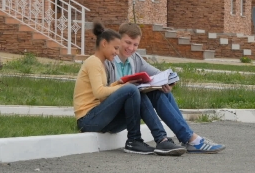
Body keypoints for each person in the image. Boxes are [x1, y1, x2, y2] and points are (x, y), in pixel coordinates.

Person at [104, 23, 226, 154]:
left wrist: (168, 82)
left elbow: (159, 74)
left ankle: (188, 138)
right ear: (118, 39)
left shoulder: (135, 58)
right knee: (140, 93)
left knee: (161, 92)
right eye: (127, 42)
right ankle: (186, 139)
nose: (131, 48)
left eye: (135, 44)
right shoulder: (107, 60)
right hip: (113, 112)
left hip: (130, 108)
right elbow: (104, 93)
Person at [73, 22, 185, 156]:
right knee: (132, 89)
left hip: (100, 119)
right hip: (87, 120)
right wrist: (124, 86)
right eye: (115, 47)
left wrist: (120, 83)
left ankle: (160, 140)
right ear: (104, 44)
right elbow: (99, 93)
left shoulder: (101, 64)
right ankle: (136, 139)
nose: (116, 51)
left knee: (137, 91)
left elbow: (104, 92)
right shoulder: (93, 62)